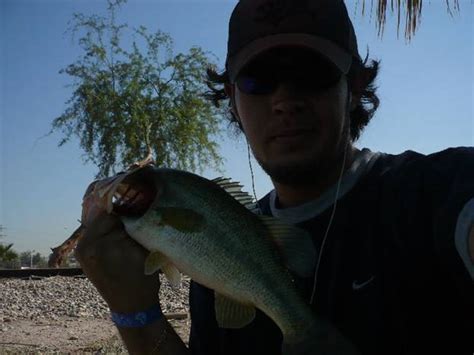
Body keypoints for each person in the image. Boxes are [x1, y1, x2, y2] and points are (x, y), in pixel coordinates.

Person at [75, 0, 474, 354]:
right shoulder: (214, 257)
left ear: (353, 86)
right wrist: (136, 313)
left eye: (310, 71)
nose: (285, 100)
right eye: (258, 79)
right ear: (232, 99)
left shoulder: (436, 193)